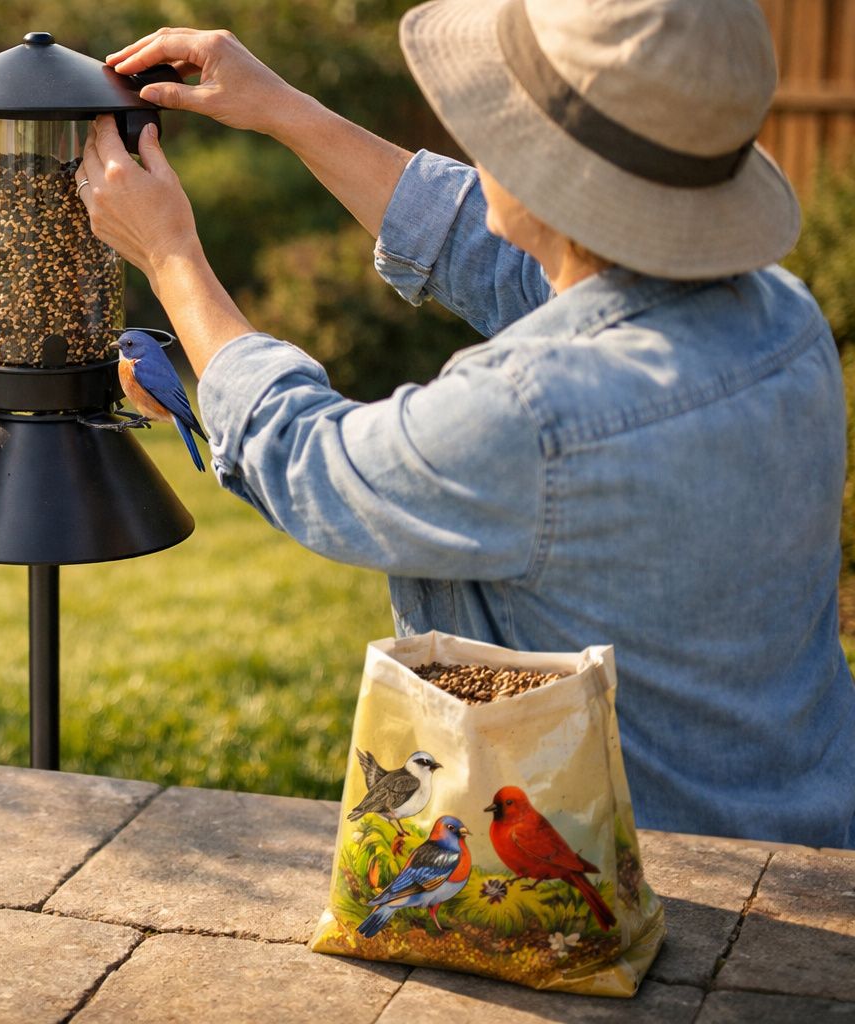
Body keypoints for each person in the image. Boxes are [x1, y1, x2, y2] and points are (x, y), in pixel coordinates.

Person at [76, 0, 855, 848]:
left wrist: (170, 258)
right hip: (810, 834)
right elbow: (507, 257)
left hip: (641, 886)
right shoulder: (781, 315)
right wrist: (283, 110)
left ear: (545, 174)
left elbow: (313, 463)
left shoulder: (536, 413)